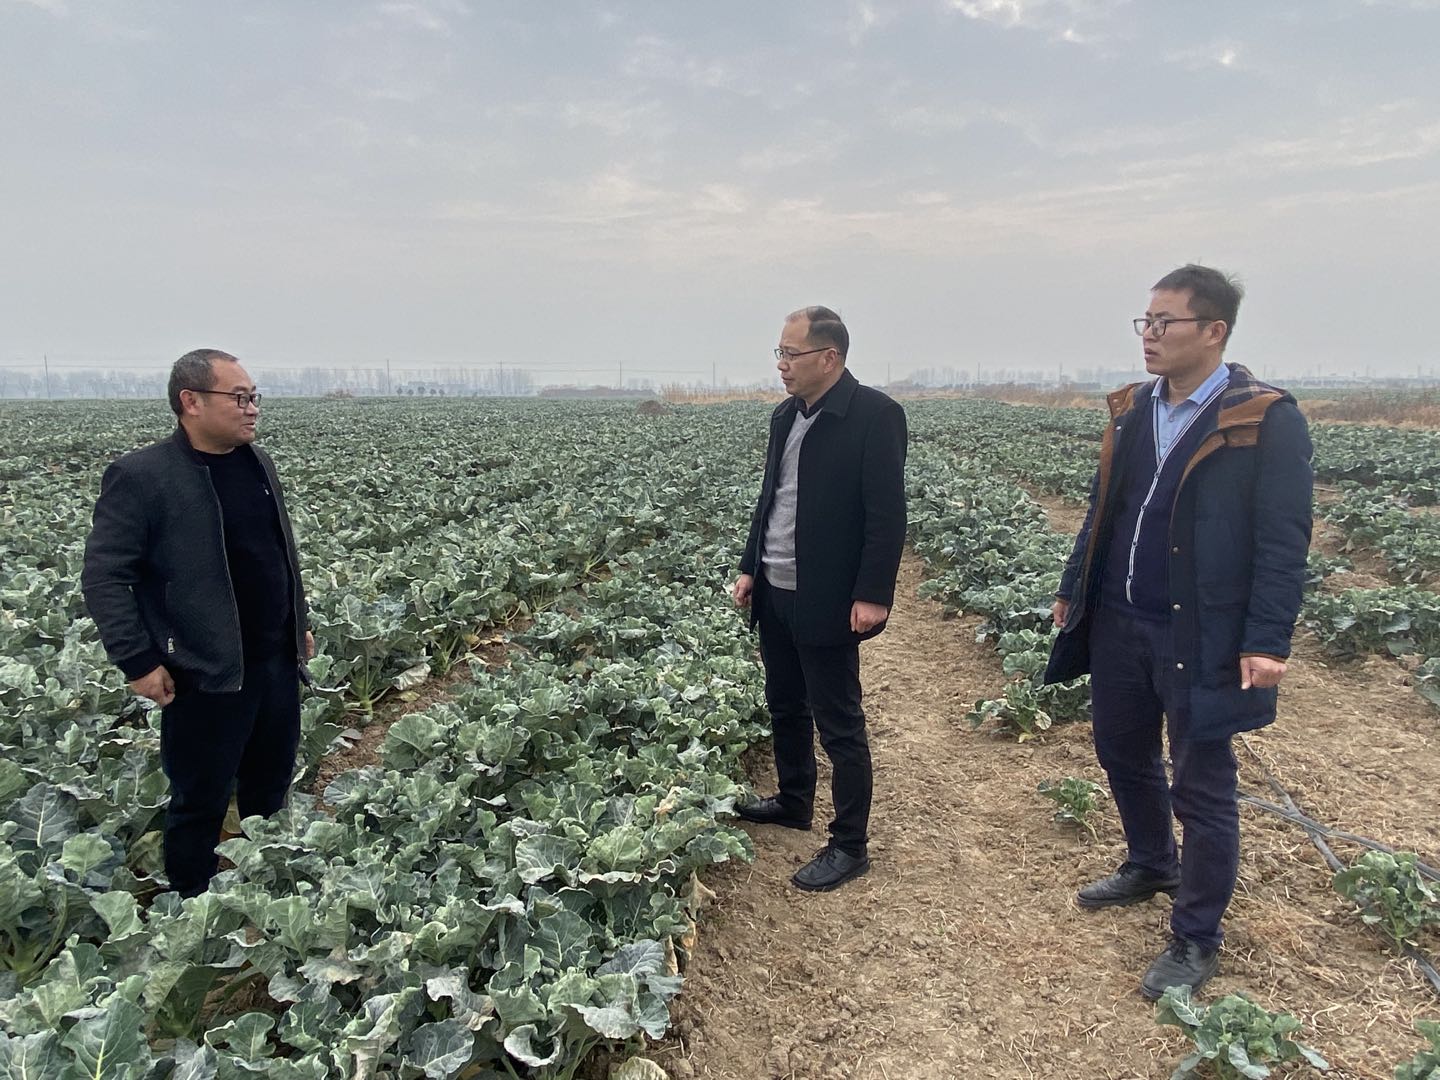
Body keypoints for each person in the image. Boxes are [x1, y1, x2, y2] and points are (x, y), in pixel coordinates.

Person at [1045, 266, 1313, 998]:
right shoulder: (1135, 409)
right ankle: (1151, 861)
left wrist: (1267, 638)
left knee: (1202, 783)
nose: (1151, 334)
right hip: (1120, 619)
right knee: (1121, 750)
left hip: (1201, 633)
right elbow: (1104, 508)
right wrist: (1074, 586)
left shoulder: (1261, 419)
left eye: (1166, 322)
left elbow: (1284, 541)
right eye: (1147, 321)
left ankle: (1196, 936)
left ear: (1214, 331)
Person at [82, 349, 313, 897]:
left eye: (254, 396)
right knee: (200, 799)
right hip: (203, 671)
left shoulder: (258, 463)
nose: (252, 408)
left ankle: (266, 895)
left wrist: (297, 622)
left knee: (270, 786)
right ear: (191, 401)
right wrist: (138, 661)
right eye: (240, 397)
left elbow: (275, 554)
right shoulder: (142, 476)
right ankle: (192, 905)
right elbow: (105, 577)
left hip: (274, 662)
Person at [730, 306, 907, 892]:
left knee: (839, 722)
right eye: (779, 353)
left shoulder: (875, 416)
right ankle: (793, 800)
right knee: (785, 704)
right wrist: (751, 566)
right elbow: (771, 498)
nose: (782, 364)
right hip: (776, 587)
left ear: (829, 358)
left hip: (827, 595)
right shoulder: (785, 415)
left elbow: (887, 515)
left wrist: (873, 594)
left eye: (792, 353)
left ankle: (850, 844)